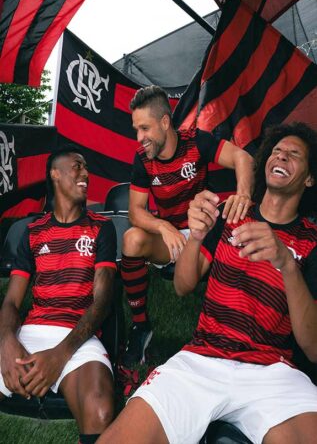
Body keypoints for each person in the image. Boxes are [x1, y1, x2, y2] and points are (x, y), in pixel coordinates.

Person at [97, 122, 317, 444]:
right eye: (276, 151)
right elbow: (183, 286)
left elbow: (312, 346)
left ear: (310, 178)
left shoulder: (311, 242)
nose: (280, 157)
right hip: (202, 359)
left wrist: (286, 262)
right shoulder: (231, 216)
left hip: (273, 372)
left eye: (293, 154)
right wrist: (196, 237)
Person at [121, 85, 254, 367]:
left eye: (144, 128)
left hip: (203, 234)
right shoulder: (142, 159)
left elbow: (243, 158)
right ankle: (141, 326)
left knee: (239, 227)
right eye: (136, 129)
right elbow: (135, 212)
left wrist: (243, 195)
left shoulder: (197, 141)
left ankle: (234, 327)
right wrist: (163, 227)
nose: (139, 137)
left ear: (165, 122)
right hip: (170, 240)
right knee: (132, 239)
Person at [0, 147, 117, 444]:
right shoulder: (32, 231)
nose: (85, 174)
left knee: (100, 410)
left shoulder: (102, 228)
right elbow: (12, 301)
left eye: (86, 168)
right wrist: (7, 342)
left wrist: (59, 356)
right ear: (55, 173)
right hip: (32, 331)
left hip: (78, 337)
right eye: (77, 166)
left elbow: (101, 302)